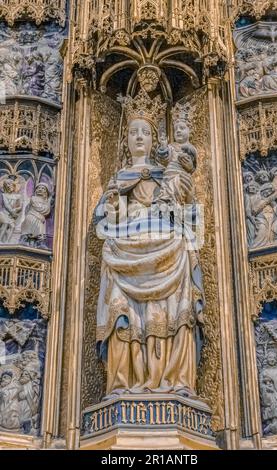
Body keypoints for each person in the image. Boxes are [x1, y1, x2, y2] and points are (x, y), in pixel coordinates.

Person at [94, 91, 205, 400]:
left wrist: (178, 198)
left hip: (165, 253)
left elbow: (188, 216)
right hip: (126, 256)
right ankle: (124, 385)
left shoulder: (167, 174)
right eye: (133, 132)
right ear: (125, 140)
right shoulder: (119, 180)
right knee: (123, 317)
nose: (139, 137)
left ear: (155, 139)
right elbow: (103, 223)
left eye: (145, 131)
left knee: (170, 314)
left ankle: (174, 382)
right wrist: (115, 207)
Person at [21, 183, 52, 247]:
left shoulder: (46, 202)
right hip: (32, 217)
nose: (40, 189)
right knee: (29, 233)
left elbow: (46, 211)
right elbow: (41, 209)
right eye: (38, 188)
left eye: (43, 188)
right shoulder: (34, 198)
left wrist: (48, 203)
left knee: (38, 234)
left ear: (46, 192)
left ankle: (36, 245)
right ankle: (27, 243)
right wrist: (47, 205)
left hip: (39, 219)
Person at [0, 178, 23, 243]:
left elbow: (20, 206)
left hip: (12, 215)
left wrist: (16, 210)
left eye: (9, 184)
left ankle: (7, 242)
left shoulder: (18, 196)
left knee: (12, 226)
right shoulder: (4, 195)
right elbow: (6, 205)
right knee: (5, 223)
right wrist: (13, 212)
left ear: (13, 185)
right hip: (4, 213)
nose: (8, 186)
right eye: (6, 185)